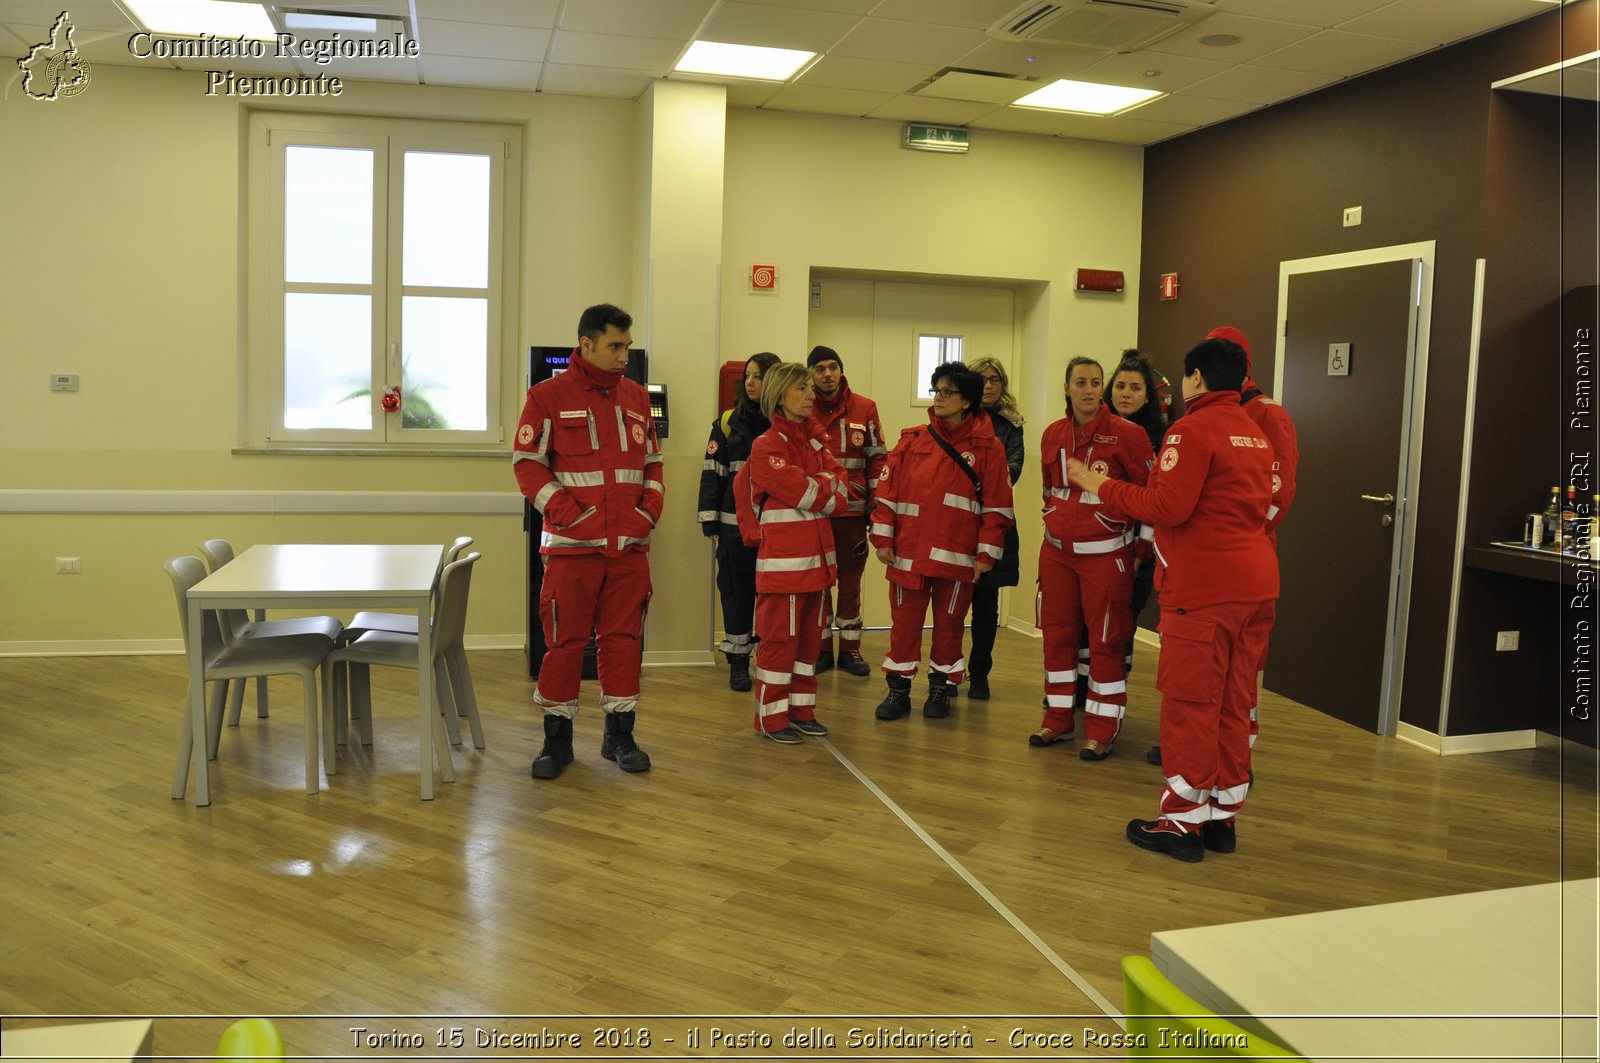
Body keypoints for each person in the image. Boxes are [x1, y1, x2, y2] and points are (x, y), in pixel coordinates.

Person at [1067, 335, 1277, 862]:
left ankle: (1180, 824)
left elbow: (1167, 506)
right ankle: (1220, 820)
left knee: (1190, 705)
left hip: (1204, 591)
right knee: (1233, 702)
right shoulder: (1254, 433)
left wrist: (1098, 484)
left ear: (1196, 378)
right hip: (1255, 585)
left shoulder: (1192, 431)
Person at [513, 303, 662, 780]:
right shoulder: (546, 396)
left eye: (627, 346)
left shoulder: (637, 397)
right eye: (615, 346)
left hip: (629, 549)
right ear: (587, 344)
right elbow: (527, 464)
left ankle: (620, 736)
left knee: (624, 641)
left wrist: (648, 513)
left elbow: (653, 465)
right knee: (563, 644)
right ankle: (556, 743)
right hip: (571, 551)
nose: (624, 355)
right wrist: (570, 515)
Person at [1146, 327, 1298, 767]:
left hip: (1223, 576)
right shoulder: (1220, 416)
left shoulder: (1262, 416)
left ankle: (1203, 793)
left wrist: (1235, 533)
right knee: (1213, 690)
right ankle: (1214, 782)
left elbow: (1277, 496)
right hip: (1229, 569)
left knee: (1226, 690)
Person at [869, 362, 1014, 721]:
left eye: (948, 392)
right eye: (937, 390)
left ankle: (940, 688)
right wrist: (883, 538)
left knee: (950, 626)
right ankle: (898, 691)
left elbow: (997, 507)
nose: (939, 398)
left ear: (968, 401)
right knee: (904, 625)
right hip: (908, 554)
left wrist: (986, 555)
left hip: (956, 555)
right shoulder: (912, 440)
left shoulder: (988, 448)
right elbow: (886, 493)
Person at [1031, 356, 1153, 760]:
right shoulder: (1052, 435)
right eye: (1080, 382)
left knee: (1106, 642)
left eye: (1096, 382)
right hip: (1057, 556)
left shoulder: (1129, 436)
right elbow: (1050, 493)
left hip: (1107, 559)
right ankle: (1058, 719)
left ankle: (1102, 728)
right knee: (1058, 637)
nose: (1089, 389)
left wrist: (1139, 553)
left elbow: (1150, 501)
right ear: (1066, 388)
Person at [743, 362, 849, 743]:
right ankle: (771, 720)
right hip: (785, 569)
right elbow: (809, 493)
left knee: (808, 646)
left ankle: (801, 712)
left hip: (818, 568)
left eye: (810, 388)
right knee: (779, 646)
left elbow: (843, 494)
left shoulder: (815, 442)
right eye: (801, 389)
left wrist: (822, 488)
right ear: (779, 397)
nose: (811, 395)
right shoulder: (766, 445)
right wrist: (823, 487)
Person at [699, 352, 781, 692]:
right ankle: (738, 664)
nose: (750, 382)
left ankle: (770, 660)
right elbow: (711, 474)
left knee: (771, 596)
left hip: (775, 530)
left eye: (758, 376)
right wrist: (711, 523)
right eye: (747, 376)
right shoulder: (728, 422)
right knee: (736, 594)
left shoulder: (785, 425)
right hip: (734, 530)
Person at [805, 345, 887, 677]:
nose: (828, 374)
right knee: (819, 582)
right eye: (821, 369)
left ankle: (850, 651)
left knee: (851, 582)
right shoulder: (803, 407)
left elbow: (878, 460)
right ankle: (822, 649)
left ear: (841, 370)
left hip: (853, 514)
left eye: (833, 367)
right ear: (811, 374)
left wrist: (877, 506)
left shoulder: (865, 408)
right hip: (815, 514)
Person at [966, 356, 1025, 701]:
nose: (988, 385)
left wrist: (983, 480)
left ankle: (979, 675)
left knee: (985, 607)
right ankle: (945, 670)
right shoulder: (956, 416)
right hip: (957, 522)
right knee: (950, 604)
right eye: (982, 379)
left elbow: (1012, 469)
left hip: (994, 521)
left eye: (995, 379)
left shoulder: (1011, 424)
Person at [1107, 349, 1170, 664]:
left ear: (1148, 397)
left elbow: (1154, 504)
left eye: (1135, 388)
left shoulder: (1161, 441)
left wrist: (1140, 553)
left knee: (1122, 623)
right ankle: (1078, 688)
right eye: (1120, 386)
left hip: (1137, 549)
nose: (1125, 394)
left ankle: (1113, 691)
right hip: (1091, 544)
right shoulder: (1091, 429)